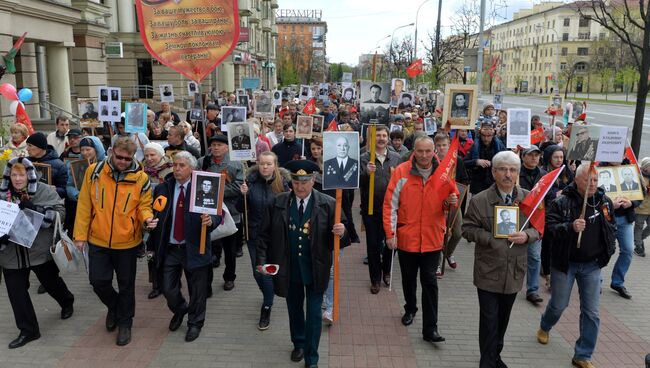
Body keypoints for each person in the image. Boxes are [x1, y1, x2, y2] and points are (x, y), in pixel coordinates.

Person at [257, 159, 348, 368]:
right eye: (296, 182)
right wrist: (262, 262)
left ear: (314, 180)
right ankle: (298, 342)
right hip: (289, 269)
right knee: (294, 309)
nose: (300, 187)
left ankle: (312, 357)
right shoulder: (278, 202)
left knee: (314, 314)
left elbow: (344, 238)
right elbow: (263, 235)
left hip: (316, 268)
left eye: (304, 182)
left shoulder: (328, 203)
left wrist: (342, 233)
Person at [73, 137, 158, 346]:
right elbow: (84, 205)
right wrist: (80, 236)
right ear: (112, 152)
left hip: (127, 242)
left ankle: (125, 323)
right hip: (97, 239)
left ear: (132, 157)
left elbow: (143, 206)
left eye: (127, 158)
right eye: (118, 157)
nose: (122, 161)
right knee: (98, 281)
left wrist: (147, 218)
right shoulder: (94, 172)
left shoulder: (141, 179)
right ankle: (115, 306)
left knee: (126, 285)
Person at [462, 150, 540, 368]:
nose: (508, 174)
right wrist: (491, 239)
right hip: (488, 270)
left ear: (518, 172)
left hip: (514, 270)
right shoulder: (480, 200)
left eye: (513, 170)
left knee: (503, 319)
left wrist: (527, 235)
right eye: (503, 169)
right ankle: (486, 362)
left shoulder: (529, 199)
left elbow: (540, 229)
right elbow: (467, 229)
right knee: (489, 319)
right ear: (494, 172)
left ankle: (495, 355)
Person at [537, 163, 616, 368]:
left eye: (595, 180)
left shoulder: (604, 202)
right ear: (576, 180)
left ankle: (583, 355)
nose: (592, 184)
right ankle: (545, 325)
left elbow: (610, 226)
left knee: (592, 312)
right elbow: (550, 229)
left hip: (592, 265)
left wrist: (608, 248)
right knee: (559, 304)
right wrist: (570, 227)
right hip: (565, 263)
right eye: (588, 180)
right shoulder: (562, 201)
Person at [383, 135, 457, 344]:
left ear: (434, 151)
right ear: (413, 151)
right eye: (420, 151)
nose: (424, 156)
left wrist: (451, 201)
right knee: (408, 278)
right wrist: (390, 234)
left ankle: (430, 328)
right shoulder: (401, 172)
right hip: (407, 237)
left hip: (433, 238)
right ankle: (410, 308)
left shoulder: (443, 173)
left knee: (430, 282)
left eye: (428, 151)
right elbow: (390, 205)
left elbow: (448, 204)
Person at [0, 157, 74, 349]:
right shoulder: (2, 194)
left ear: (29, 174)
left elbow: (61, 213)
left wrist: (38, 211)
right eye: (14, 174)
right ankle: (29, 330)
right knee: (16, 293)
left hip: (38, 251)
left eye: (21, 174)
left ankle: (67, 300)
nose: (17, 179)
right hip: (11, 255)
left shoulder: (44, 190)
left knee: (51, 283)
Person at [147, 152, 218, 342]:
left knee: (198, 290)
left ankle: (195, 323)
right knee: (167, 287)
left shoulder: (204, 187)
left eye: (182, 166)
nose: (177, 169)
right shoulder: (164, 188)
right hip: (170, 248)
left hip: (195, 247)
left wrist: (211, 220)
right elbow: (155, 211)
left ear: (192, 169)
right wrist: (151, 222)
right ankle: (179, 309)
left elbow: (218, 213)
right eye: (175, 165)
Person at [238, 151, 290, 330]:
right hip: (254, 235)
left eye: (269, 164)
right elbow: (241, 209)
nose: (265, 167)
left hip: (275, 238)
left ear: (275, 165)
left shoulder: (283, 185)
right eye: (262, 163)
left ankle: (266, 306)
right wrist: (242, 195)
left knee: (266, 272)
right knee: (257, 273)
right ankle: (269, 293)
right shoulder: (250, 182)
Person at [198, 135, 243, 292]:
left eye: (219, 145)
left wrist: (215, 191)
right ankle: (207, 282)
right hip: (208, 212)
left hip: (230, 212)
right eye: (213, 145)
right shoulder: (202, 161)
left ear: (227, 147)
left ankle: (229, 277)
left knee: (230, 250)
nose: (215, 148)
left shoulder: (236, 163)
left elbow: (238, 187)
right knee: (208, 248)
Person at [360, 125, 401, 294]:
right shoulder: (364, 158)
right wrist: (365, 173)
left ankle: (387, 270)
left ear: (388, 138)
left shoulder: (396, 158)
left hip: (392, 209)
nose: (381, 138)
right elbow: (357, 183)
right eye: (378, 136)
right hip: (371, 209)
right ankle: (375, 279)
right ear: (372, 138)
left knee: (391, 244)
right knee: (373, 245)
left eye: (384, 135)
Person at [433, 133, 470, 277]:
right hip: (437, 203)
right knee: (439, 233)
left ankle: (448, 253)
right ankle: (437, 263)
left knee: (458, 232)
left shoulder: (457, 160)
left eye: (444, 145)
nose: (442, 148)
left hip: (454, 201)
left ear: (449, 145)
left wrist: (458, 197)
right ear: (435, 146)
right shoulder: (433, 161)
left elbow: (464, 180)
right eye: (439, 145)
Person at [518, 145, 547, 305]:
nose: (534, 158)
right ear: (523, 157)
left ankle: (533, 290)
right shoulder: (515, 173)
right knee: (514, 255)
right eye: (531, 155)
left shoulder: (544, 176)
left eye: (537, 155)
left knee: (535, 256)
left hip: (536, 221)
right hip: (518, 218)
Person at [464, 121, 506, 194]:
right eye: (484, 136)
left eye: (489, 136)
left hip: (495, 183)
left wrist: (492, 163)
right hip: (478, 185)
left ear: (493, 134)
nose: (486, 139)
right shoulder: (474, 146)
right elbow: (465, 163)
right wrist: (476, 162)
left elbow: (505, 162)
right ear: (480, 134)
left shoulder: (500, 146)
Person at [26, 132, 68, 199]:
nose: (27, 149)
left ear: (40, 147)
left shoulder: (60, 166)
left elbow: (64, 190)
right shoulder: (25, 162)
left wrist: (54, 190)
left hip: (48, 203)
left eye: (30, 145)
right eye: (27, 145)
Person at [634, 157, 650, 257]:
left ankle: (638, 239)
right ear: (644, 168)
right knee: (638, 227)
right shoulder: (638, 176)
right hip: (641, 208)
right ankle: (638, 246)